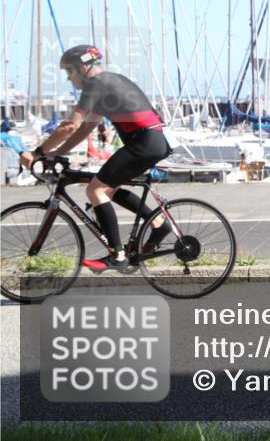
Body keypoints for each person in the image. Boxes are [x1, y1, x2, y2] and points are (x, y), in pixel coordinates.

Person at [19, 45, 172, 272]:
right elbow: (84, 129)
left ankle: (117, 255)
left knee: (95, 191)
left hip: (144, 143)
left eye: (69, 72)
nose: (69, 78)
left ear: (82, 68)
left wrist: (38, 153)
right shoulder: (108, 82)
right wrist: (58, 152)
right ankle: (158, 225)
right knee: (106, 189)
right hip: (150, 141)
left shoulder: (95, 84)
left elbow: (71, 125)